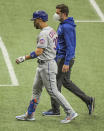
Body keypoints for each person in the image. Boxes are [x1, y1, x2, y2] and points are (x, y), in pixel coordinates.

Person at [15, 10, 78, 124]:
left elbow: (39, 51)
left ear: (39, 20)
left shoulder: (44, 33)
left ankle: (70, 112)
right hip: (44, 65)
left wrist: (23, 58)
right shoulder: (51, 30)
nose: (34, 22)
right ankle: (30, 114)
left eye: (34, 20)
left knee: (53, 91)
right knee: (36, 89)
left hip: (47, 65)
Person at [42, 4, 95, 116]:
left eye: (57, 13)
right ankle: (88, 100)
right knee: (65, 82)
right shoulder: (63, 25)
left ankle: (56, 110)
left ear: (64, 14)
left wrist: (66, 62)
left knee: (55, 84)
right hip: (61, 58)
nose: (55, 15)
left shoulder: (67, 27)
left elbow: (71, 46)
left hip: (64, 59)